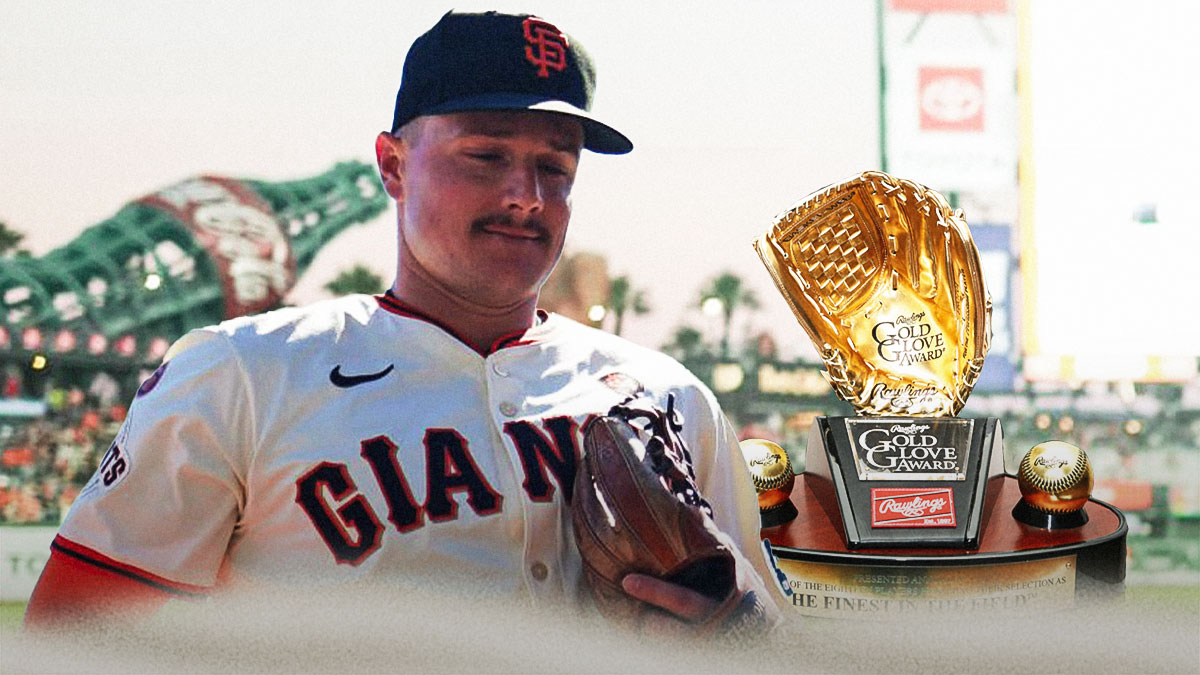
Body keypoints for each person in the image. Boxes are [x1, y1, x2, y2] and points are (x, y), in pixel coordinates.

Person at [24, 10, 782, 632]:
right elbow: (70, 639)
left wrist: (747, 637)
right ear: (392, 165)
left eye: (555, 167)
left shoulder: (672, 399)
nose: (526, 194)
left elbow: (771, 637)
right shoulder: (240, 375)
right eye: (485, 155)